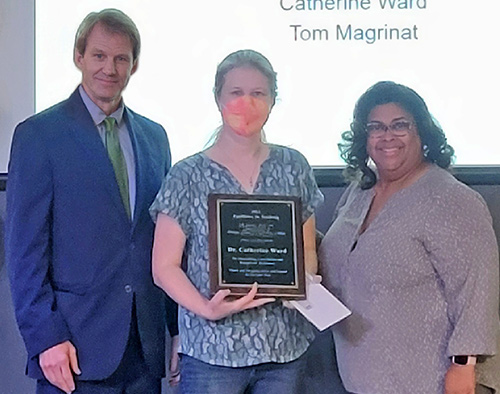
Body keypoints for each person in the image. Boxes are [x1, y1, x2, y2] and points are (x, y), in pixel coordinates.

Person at [5, 9, 178, 394]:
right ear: (78, 57)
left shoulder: (155, 138)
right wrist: (44, 338)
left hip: (144, 350)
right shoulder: (39, 136)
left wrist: (176, 331)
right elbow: (24, 252)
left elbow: (163, 243)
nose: (110, 68)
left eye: (121, 58)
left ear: (134, 66)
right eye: (99, 55)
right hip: (70, 350)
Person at [150, 49, 324, 394]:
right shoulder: (187, 175)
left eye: (258, 93)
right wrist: (206, 309)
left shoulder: (294, 166)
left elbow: (305, 247)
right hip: (211, 350)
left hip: (283, 347)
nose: (247, 103)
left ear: (273, 100)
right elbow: (163, 266)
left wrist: (299, 282)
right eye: (236, 93)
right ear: (218, 99)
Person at [318, 81, 499, 394]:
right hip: (363, 379)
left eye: (400, 125)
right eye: (375, 127)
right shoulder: (359, 193)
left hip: (434, 381)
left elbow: (477, 290)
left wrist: (464, 365)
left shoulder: (451, 198)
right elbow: (337, 256)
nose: (387, 136)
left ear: (422, 133)